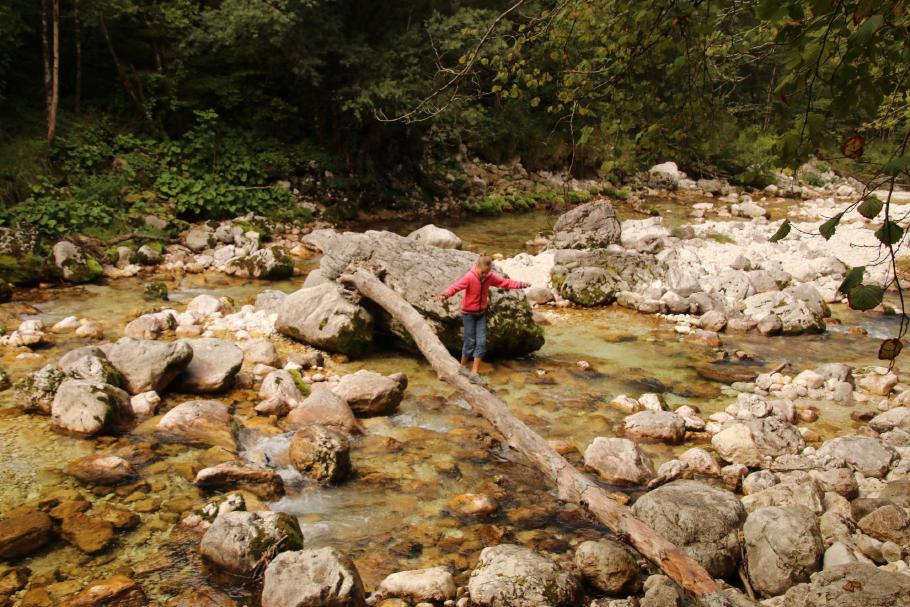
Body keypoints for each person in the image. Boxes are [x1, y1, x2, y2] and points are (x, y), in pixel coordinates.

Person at [435, 255, 530, 377]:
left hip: (481, 314)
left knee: (481, 342)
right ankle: (462, 367)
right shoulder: (469, 277)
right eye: (483, 272)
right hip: (468, 314)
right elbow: (455, 287)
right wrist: (444, 295)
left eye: (487, 272)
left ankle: (474, 372)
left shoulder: (489, 277)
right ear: (477, 267)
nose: (485, 275)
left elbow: (504, 282)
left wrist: (521, 284)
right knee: (470, 341)